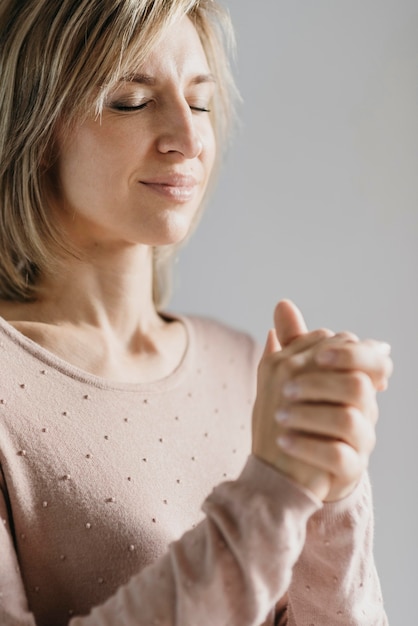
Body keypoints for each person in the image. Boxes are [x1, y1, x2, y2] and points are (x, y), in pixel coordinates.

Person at [0, 1, 393, 625]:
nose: (187, 138)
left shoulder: (247, 367)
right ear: (35, 126)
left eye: (202, 102)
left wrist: (336, 489)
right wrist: (272, 491)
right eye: (132, 100)